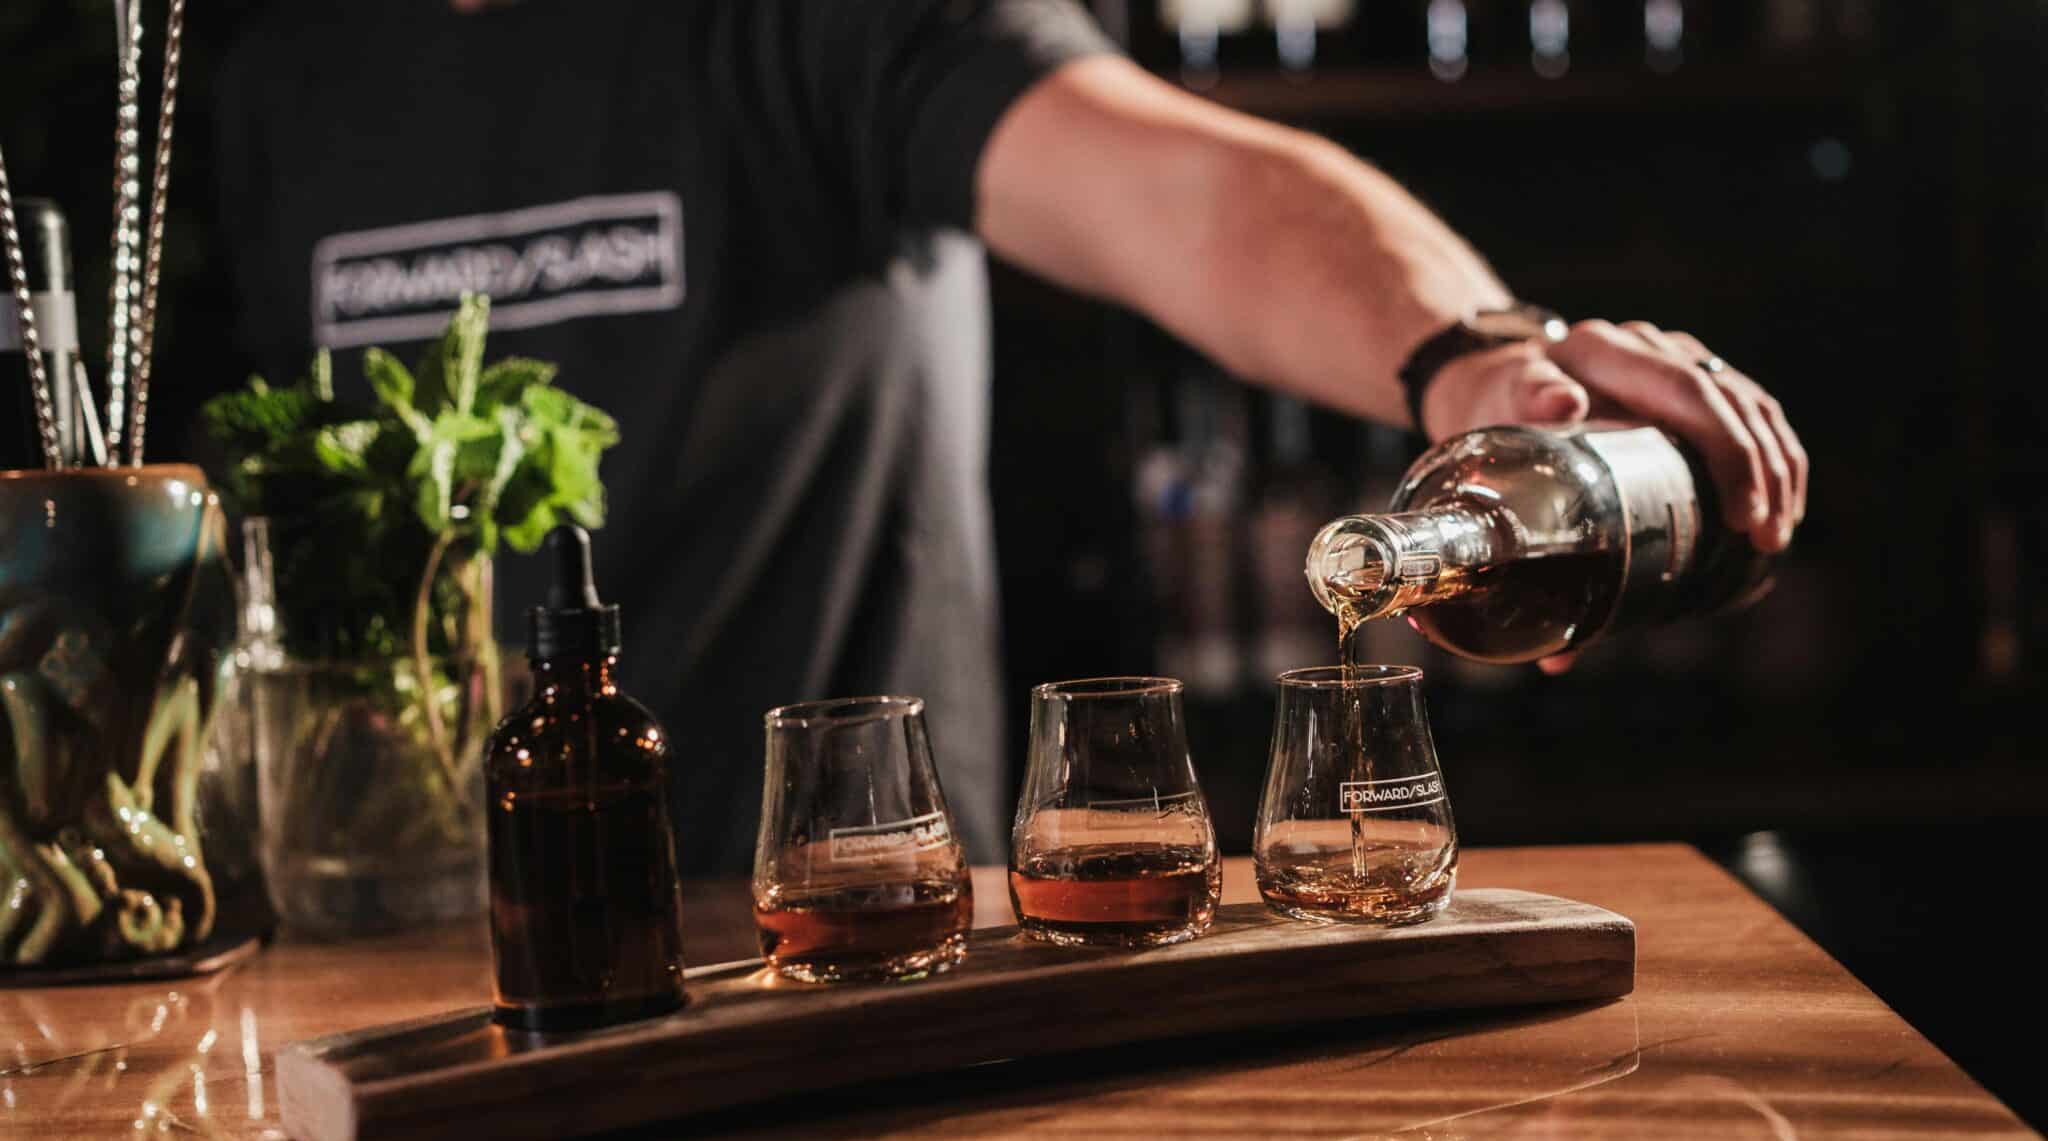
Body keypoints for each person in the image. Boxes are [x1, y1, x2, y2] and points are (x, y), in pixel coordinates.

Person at [212, 0, 1806, 874]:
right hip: (453, 969)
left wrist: (1473, 361)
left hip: (858, 945)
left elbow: (1193, 196)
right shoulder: (262, 74)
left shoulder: (808, 29)